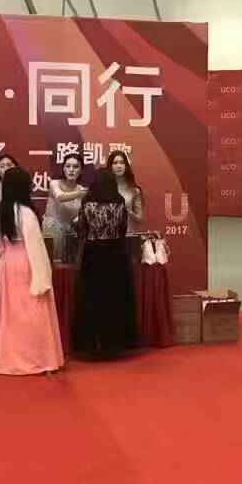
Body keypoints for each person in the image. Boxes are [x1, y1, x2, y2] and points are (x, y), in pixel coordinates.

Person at [0, 167, 65, 376]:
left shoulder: (1, 210)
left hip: (8, 263)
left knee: (11, 313)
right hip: (27, 262)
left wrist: (0, 259)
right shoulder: (26, 213)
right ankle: (36, 358)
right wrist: (42, 277)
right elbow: (36, 246)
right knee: (33, 310)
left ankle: (10, 358)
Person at [74, 167, 137, 356]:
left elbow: (82, 231)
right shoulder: (120, 202)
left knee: (92, 299)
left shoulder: (87, 203)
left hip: (93, 255)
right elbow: (123, 230)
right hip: (116, 255)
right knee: (115, 299)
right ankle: (115, 343)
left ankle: (92, 344)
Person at [43, 153, 87, 264]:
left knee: (70, 266)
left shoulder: (82, 190)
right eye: (68, 166)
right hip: (52, 231)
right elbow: (60, 197)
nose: (71, 170)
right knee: (51, 264)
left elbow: (82, 214)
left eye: (75, 167)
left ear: (81, 170)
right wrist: (78, 194)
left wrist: (77, 220)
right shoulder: (54, 183)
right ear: (63, 169)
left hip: (71, 234)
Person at [108, 150, 145, 234]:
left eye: (122, 162)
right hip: (108, 236)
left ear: (126, 166)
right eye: (115, 163)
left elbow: (140, 219)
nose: (119, 166)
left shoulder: (134, 191)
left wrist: (128, 211)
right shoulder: (104, 189)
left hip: (128, 235)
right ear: (110, 166)